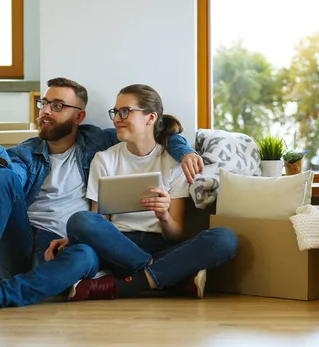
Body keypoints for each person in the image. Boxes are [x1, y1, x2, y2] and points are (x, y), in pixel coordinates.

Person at [0, 77, 203, 314]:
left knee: (86, 256)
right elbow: (6, 177)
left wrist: (186, 153)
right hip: (21, 241)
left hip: (65, 247)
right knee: (1, 175)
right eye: (44, 103)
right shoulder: (25, 153)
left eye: (57, 106)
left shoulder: (97, 142)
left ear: (79, 115)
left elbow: (154, 132)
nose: (45, 111)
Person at [49, 84, 238, 300]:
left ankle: (127, 284)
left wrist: (164, 215)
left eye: (125, 111)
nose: (117, 118)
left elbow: (175, 234)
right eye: (116, 112)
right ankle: (163, 275)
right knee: (81, 220)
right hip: (117, 247)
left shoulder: (174, 163)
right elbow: (98, 221)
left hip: (162, 246)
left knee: (225, 238)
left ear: (150, 118)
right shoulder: (105, 159)